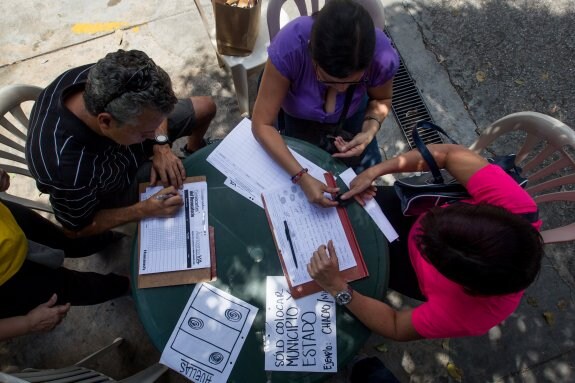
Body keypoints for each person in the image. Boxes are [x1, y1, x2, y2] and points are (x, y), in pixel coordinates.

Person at [307, 144, 543, 340]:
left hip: (406, 269)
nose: (423, 229)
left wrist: (339, 288)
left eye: (427, 249)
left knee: (341, 276)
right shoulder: (515, 206)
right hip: (407, 213)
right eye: (444, 213)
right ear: (487, 210)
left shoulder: (473, 314)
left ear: (459, 281)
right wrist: (375, 171)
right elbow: (449, 155)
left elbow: (396, 325)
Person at [26, 49, 216, 237]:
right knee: (188, 182)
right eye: (146, 132)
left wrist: (161, 145)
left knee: (205, 107)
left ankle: (192, 149)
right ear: (106, 121)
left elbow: (156, 124)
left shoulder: (107, 78)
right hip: (116, 184)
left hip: (128, 144)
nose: (154, 135)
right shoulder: (66, 171)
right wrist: (143, 210)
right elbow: (75, 229)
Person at [252, 0, 399, 207]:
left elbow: (381, 99)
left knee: (361, 190)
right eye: (328, 79)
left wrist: (368, 131)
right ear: (312, 54)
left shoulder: (381, 55)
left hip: (352, 118)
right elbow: (262, 124)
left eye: (352, 82)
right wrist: (301, 177)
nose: (341, 90)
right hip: (298, 119)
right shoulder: (290, 45)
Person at [0, 169, 129, 340]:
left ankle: (107, 238)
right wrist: (27, 323)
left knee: (66, 238)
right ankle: (126, 285)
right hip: (10, 282)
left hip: (9, 219)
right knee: (73, 288)